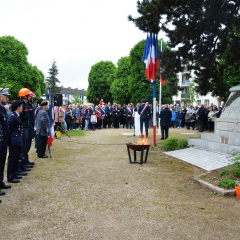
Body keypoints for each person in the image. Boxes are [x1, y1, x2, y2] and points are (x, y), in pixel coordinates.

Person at [7, 100, 23, 183]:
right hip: (14, 140)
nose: (22, 108)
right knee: (12, 159)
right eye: (21, 106)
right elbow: (8, 129)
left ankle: (14, 173)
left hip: (17, 139)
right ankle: (10, 176)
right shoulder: (12, 116)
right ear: (18, 107)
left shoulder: (17, 116)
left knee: (16, 158)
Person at [0, 89, 11, 195]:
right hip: (1, 139)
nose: (7, 99)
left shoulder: (2, 109)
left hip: (3, 140)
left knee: (2, 162)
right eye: (6, 97)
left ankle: (0, 182)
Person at [19, 88, 31, 173]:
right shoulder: (21, 104)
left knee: (25, 147)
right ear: (25, 96)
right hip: (23, 126)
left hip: (26, 126)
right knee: (22, 148)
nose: (30, 96)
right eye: (28, 95)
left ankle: (23, 163)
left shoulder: (25, 104)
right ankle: (20, 166)